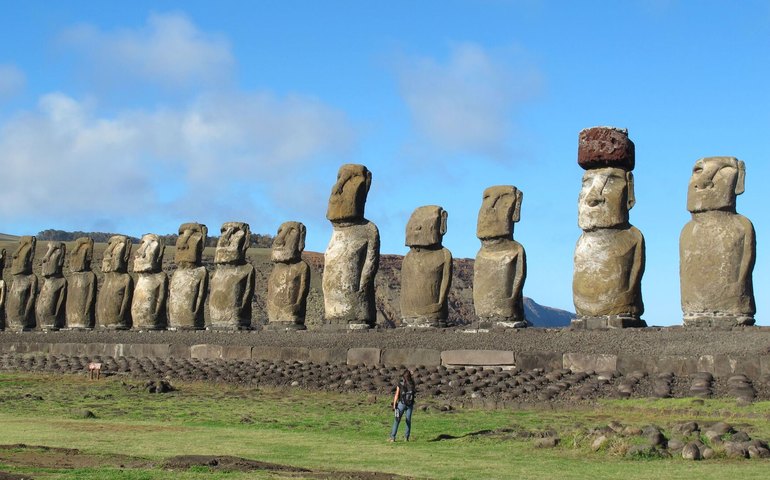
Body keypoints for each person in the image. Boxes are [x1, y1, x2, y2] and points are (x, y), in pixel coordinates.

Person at [389, 369, 416, 442]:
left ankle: (392, 437)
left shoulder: (400, 383)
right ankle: (406, 438)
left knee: (397, 420)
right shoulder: (412, 383)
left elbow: (396, 394)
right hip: (410, 404)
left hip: (402, 403)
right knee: (408, 421)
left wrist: (394, 404)